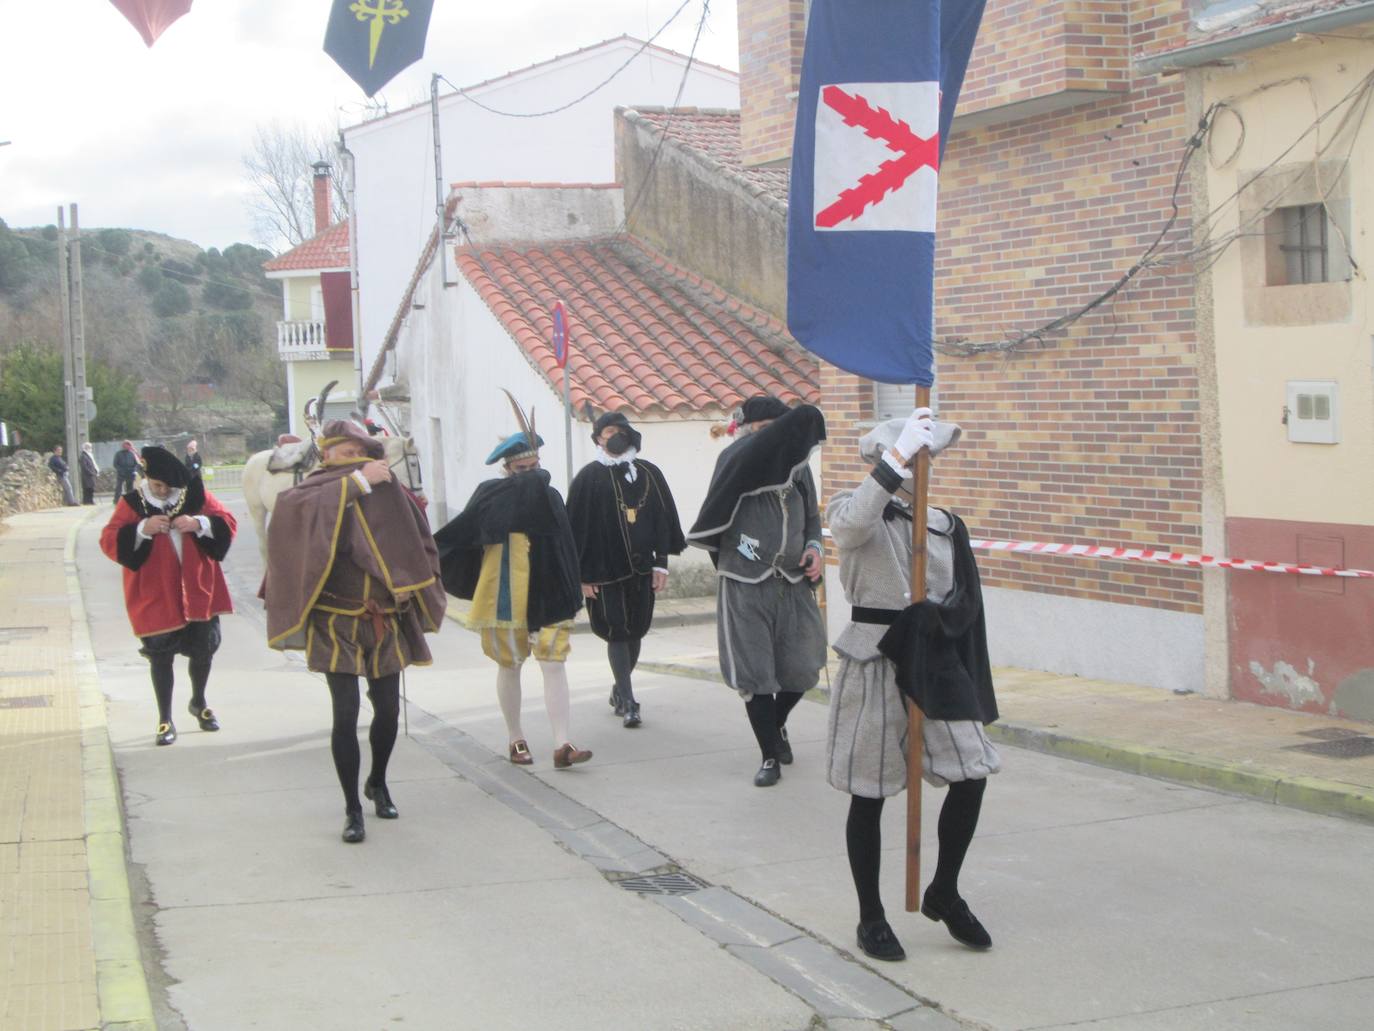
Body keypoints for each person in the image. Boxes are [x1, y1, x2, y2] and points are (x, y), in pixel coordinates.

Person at [825, 409, 1000, 962]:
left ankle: (943, 890)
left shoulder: (944, 523)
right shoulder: (856, 511)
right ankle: (871, 916)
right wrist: (894, 464)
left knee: (972, 771)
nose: (920, 469)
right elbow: (851, 526)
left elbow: (961, 598)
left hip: (933, 658)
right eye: (909, 458)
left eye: (924, 459)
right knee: (870, 790)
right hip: (875, 656)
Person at [263, 420, 446, 845]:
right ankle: (351, 808)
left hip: (383, 619)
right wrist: (358, 483)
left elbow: (418, 542)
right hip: (335, 620)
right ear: (325, 455)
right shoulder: (309, 494)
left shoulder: (388, 492)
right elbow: (292, 515)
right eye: (342, 453)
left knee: (388, 713)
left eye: (356, 453)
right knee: (344, 715)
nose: (350, 460)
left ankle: (377, 782)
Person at [687, 396, 828, 787]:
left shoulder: (798, 468)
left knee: (803, 667)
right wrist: (747, 554)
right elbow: (718, 523)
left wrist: (814, 548)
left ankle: (775, 724)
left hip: (793, 581)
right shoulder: (734, 462)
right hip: (746, 583)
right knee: (756, 675)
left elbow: (812, 518)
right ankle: (769, 755)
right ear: (751, 429)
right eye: (770, 431)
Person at [434, 424, 590, 770]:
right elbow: (464, 536)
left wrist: (576, 583)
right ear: (507, 469)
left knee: (554, 663)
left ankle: (562, 743)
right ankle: (515, 737)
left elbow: (566, 544)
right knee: (511, 665)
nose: (531, 476)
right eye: (522, 470)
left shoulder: (551, 497)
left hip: (550, 592)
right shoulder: (491, 494)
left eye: (535, 469)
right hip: (507, 594)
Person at [99, 446, 236, 746]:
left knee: (203, 651)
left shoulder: (195, 496)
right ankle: (165, 719)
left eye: (166, 487)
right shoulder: (133, 502)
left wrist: (199, 523)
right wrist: (141, 529)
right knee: (160, 658)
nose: (161, 491)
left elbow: (228, 521)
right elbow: (108, 538)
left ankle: (198, 701)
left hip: (198, 589)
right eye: (156, 485)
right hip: (154, 592)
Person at [566, 412, 685, 728]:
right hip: (603, 571)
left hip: (643, 568)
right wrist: (581, 575)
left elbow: (664, 520)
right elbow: (574, 529)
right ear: (598, 439)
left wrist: (662, 563)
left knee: (636, 631)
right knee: (617, 631)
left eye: (619, 430)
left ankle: (619, 689)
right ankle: (630, 701)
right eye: (608, 432)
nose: (614, 436)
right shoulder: (588, 478)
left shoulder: (648, 473)